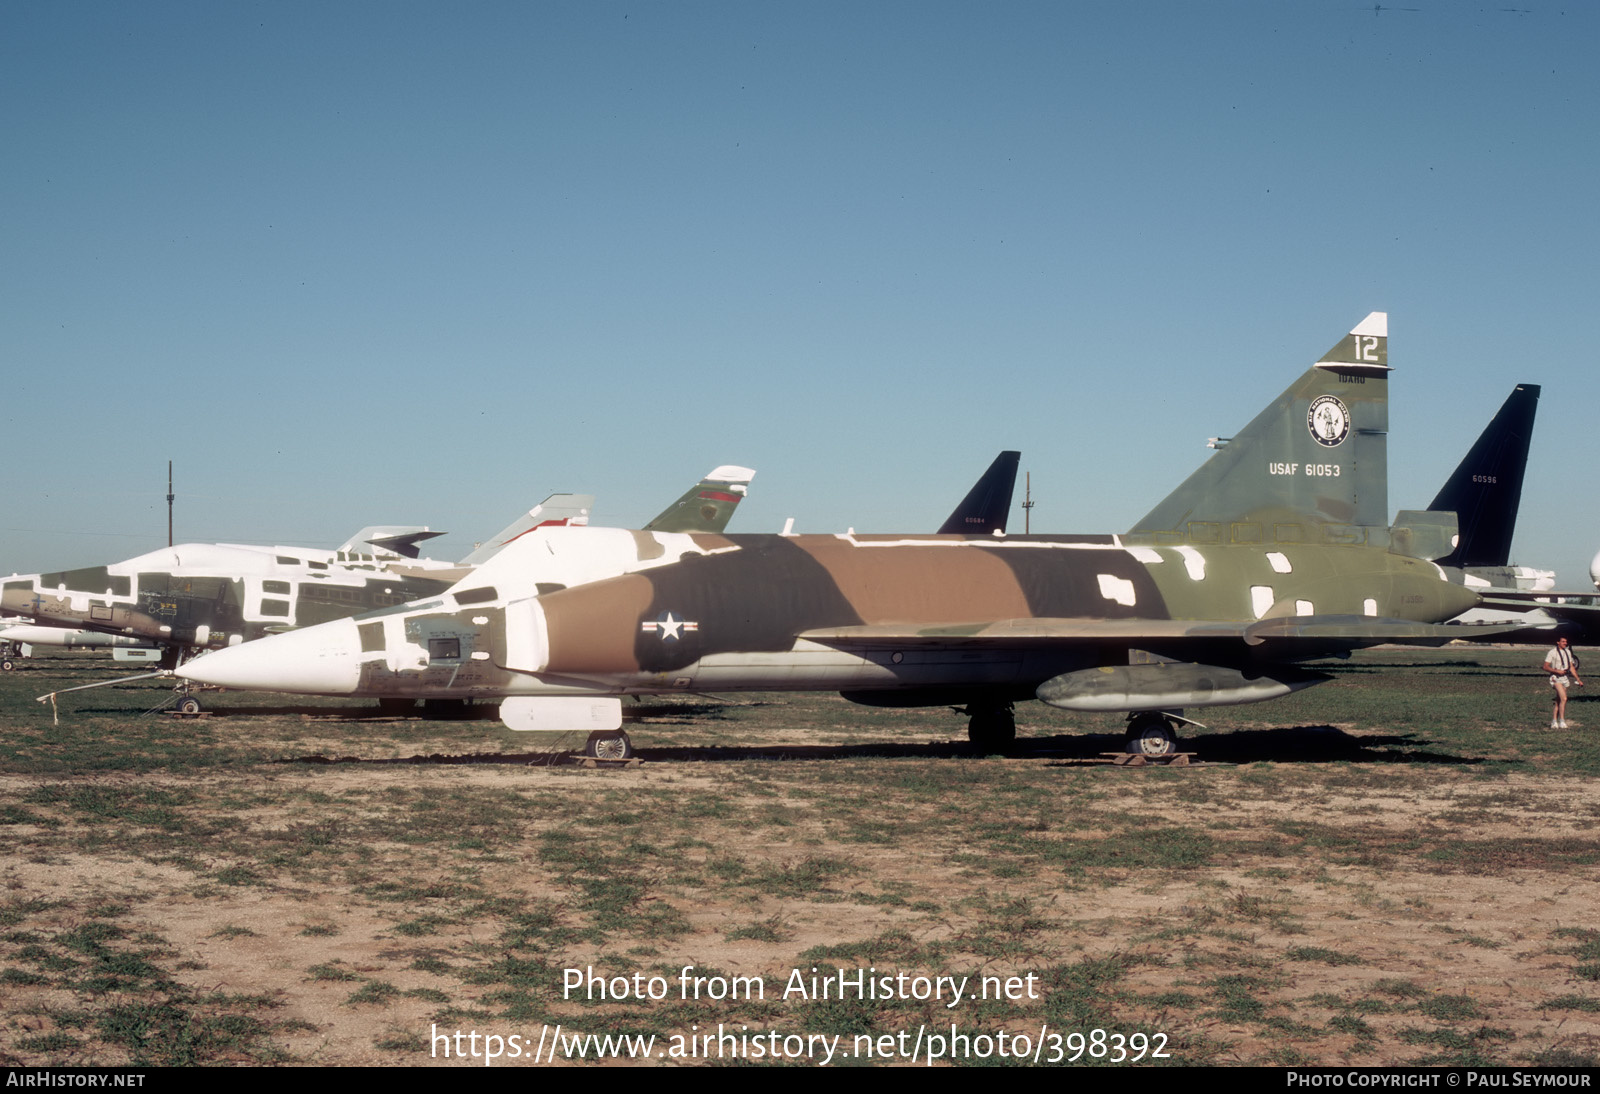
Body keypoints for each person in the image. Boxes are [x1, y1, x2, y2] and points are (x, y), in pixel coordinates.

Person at [1543, 636, 1584, 729]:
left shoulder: (1568, 652)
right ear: (1558, 642)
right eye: (1563, 641)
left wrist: (1578, 679)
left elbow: (1571, 667)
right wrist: (1557, 671)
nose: (1565, 643)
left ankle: (1554, 721)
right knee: (1564, 698)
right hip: (1555, 677)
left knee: (1559, 701)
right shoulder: (1552, 652)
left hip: (1565, 678)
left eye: (1566, 641)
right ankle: (1562, 720)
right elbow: (1545, 667)